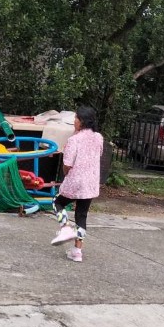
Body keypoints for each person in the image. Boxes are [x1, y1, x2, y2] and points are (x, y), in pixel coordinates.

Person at [50, 105, 104, 262]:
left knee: (57, 202)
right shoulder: (98, 137)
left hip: (76, 181)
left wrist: (66, 173)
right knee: (81, 214)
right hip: (91, 182)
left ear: (82, 121)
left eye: (76, 118)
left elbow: (67, 164)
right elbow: (98, 155)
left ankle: (66, 228)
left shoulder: (74, 140)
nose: (74, 121)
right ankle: (77, 252)